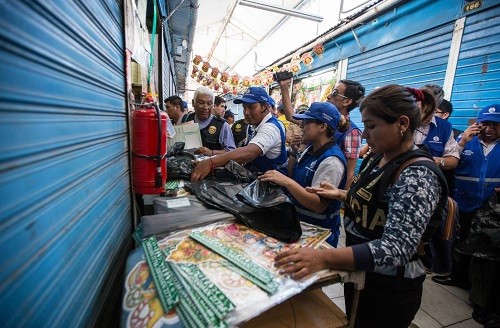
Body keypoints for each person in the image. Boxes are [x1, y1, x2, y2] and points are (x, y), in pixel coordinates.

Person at [274, 85, 446, 328]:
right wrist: (343, 194)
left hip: (389, 287)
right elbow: (379, 200)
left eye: (371, 126)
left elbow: (396, 248)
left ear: (402, 124)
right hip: (364, 273)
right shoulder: (380, 156)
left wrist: (325, 258)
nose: (364, 135)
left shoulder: (417, 175)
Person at [258, 102, 347, 246]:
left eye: (306, 122)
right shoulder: (311, 149)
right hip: (300, 226)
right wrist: (293, 152)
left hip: (318, 235)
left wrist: (286, 181)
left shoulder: (331, 161)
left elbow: (318, 205)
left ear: (322, 127)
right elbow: (293, 175)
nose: (301, 126)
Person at [432, 104, 500, 288]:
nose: (489, 129)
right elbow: (450, 162)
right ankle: (457, 277)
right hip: (465, 203)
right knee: (460, 242)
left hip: (491, 208)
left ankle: (476, 283)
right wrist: (462, 142)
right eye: (484, 124)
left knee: (485, 246)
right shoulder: (463, 140)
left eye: (495, 125)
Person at [191, 87, 287, 181]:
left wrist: (210, 162)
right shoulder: (254, 125)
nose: (246, 112)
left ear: (265, 107)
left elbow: (248, 153)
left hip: (272, 190)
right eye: (244, 108)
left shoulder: (270, 128)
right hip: (257, 181)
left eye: (251, 107)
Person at [414, 84, 459, 196]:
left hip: (429, 189)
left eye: (429, 106)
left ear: (436, 107)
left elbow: (453, 160)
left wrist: (438, 161)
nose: (423, 110)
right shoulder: (403, 121)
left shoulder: (445, 128)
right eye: (420, 103)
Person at [185, 87, 235, 155]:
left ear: (213, 105)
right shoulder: (185, 119)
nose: (205, 108)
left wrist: (211, 152)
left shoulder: (221, 125)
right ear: (193, 103)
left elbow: (231, 151)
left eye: (209, 103)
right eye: (201, 103)